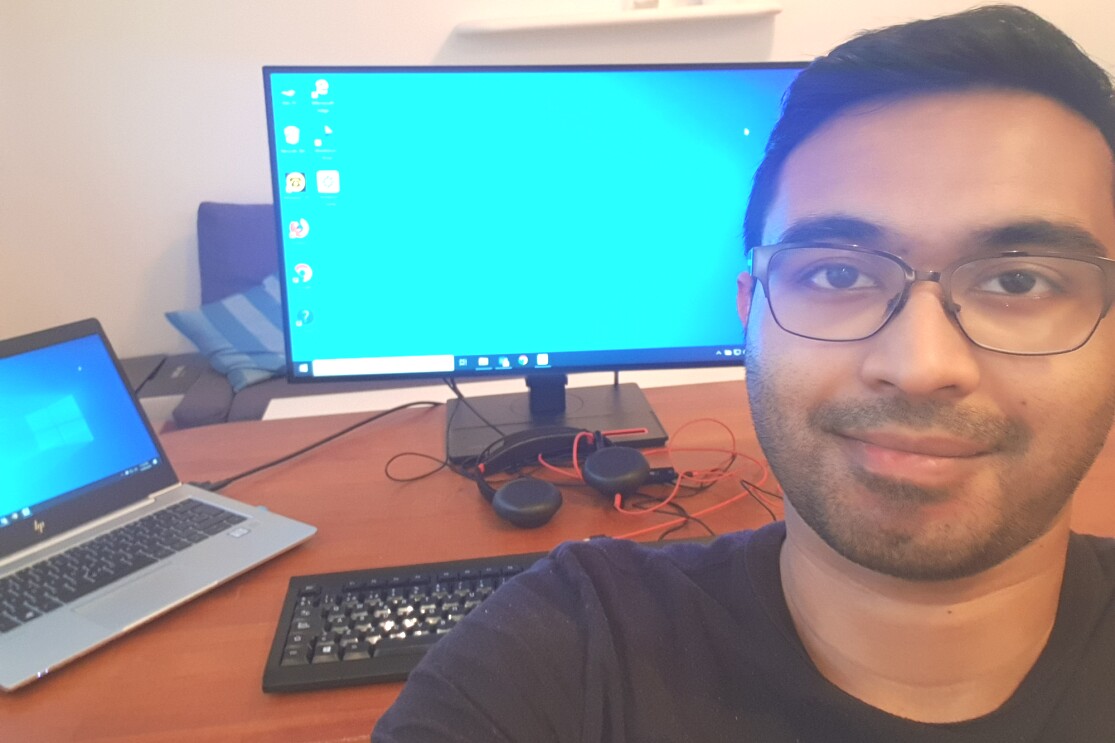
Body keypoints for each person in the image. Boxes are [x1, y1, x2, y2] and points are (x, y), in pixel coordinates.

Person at [374, 5, 1115, 740]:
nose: (919, 365)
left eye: (1018, 282)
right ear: (747, 307)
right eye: (833, 272)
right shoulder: (557, 658)